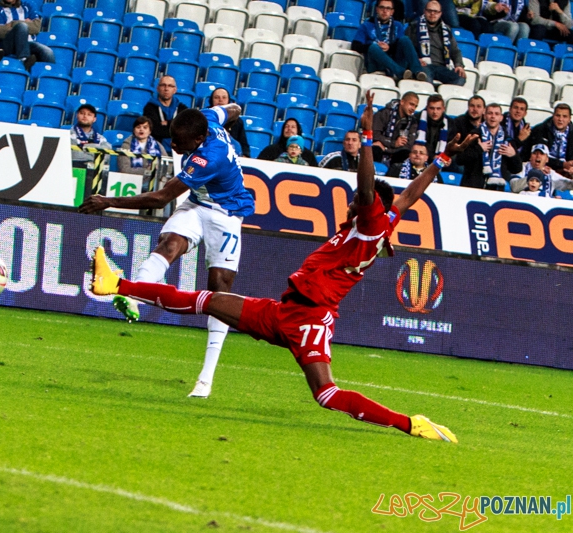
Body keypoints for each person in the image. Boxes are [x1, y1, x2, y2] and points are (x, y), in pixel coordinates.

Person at [89, 92, 477, 443]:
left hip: (311, 317)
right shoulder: (384, 219)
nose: (350, 202)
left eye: (357, 200)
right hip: (285, 310)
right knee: (207, 300)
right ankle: (117, 285)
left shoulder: (372, 221)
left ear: (367, 204)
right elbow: (410, 194)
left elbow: (366, 184)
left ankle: (410, 423)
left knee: (326, 394)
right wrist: (443, 160)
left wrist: (369, 137)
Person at [79, 103, 255, 399]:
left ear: (198, 140)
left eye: (179, 142)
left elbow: (160, 198)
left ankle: (205, 379)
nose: (173, 144)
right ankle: (132, 296)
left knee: (219, 294)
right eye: (172, 136)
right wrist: (234, 110)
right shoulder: (206, 119)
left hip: (226, 215)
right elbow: (233, 109)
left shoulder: (208, 158)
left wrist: (108, 201)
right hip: (197, 205)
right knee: (169, 244)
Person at [351, 0, 426, 82]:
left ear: (392, 12)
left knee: (405, 39)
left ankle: (418, 72)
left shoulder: (398, 25)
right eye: (382, 7)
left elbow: (401, 46)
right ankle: (400, 72)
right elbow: (355, 46)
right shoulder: (366, 25)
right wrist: (375, 46)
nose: (385, 11)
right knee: (373, 47)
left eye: (388, 8)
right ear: (377, 9)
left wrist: (389, 48)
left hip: (395, 60)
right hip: (376, 63)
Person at [458, 103, 523, 189]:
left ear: (501, 118)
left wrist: (513, 156)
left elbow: (517, 169)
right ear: (484, 116)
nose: (493, 116)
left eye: (496, 114)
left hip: (495, 190)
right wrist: (479, 149)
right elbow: (460, 160)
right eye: (490, 113)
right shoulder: (474, 135)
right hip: (472, 187)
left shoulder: (508, 140)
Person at [407, 1, 467, 87]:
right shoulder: (413, 27)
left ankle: (440, 96)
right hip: (423, 65)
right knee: (425, 77)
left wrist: (459, 65)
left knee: (460, 77)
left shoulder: (447, 30)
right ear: (424, 11)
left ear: (440, 13)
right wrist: (415, 59)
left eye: (436, 12)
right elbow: (407, 48)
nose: (432, 14)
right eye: (429, 11)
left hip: (442, 68)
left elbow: (455, 51)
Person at [0, 0, 55, 72]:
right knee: (22, 26)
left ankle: (50, 78)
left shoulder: (27, 6)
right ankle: (24, 61)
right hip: (7, 44)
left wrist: (12, 24)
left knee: (47, 52)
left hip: (28, 43)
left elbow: (36, 27)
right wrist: (22, 23)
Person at [117, 116, 167, 192]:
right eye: (138, 127)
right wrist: (147, 171)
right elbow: (124, 169)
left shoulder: (158, 145)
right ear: (134, 130)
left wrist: (159, 169)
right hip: (132, 182)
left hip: (154, 181)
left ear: (150, 131)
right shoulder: (126, 145)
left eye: (145, 127)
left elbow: (167, 165)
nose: (141, 129)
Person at [143, 76, 189, 153]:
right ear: (158, 88)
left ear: (175, 90)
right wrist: (177, 128)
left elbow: (187, 129)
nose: (166, 89)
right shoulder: (150, 108)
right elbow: (154, 130)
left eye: (170, 86)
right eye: (163, 85)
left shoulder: (182, 108)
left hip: (178, 152)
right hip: (156, 151)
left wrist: (168, 123)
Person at [372, 92, 419, 165]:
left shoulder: (413, 122)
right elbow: (375, 135)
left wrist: (388, 148)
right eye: (411, 104)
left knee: (405, 153)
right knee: (375, 149)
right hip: (380, 148)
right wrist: (394, 143)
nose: (413, 108)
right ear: (402, 102)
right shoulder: (384, 113)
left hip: (395, 151)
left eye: (415, 106)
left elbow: (408, 145)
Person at [526, 103, 573, 175]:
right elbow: (537, 156)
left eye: (564, 116)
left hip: (567, 171)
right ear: (553, 116)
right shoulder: (540, 130)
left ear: (569, 119)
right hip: (544, 169)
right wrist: (562, 164)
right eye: (558, 115)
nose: (560, 119)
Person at [208, 88, 250, 157]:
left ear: (228, 101)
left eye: (224, 97)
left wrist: (244, 157)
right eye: (216, 97)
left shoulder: (237, 121)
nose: (220, 100)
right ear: (211, 100)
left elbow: (244, 146)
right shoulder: (203, 117)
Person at [415, 94, 451, 161]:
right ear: (427, 108)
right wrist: (432, 157)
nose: (435, 112)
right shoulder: (417, 119)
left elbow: (450, 147)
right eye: (432, 108)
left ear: (444, 109)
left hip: (440, 159)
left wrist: (446, 158)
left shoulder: (450, 123)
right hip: (419, 157)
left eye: (438, 109)